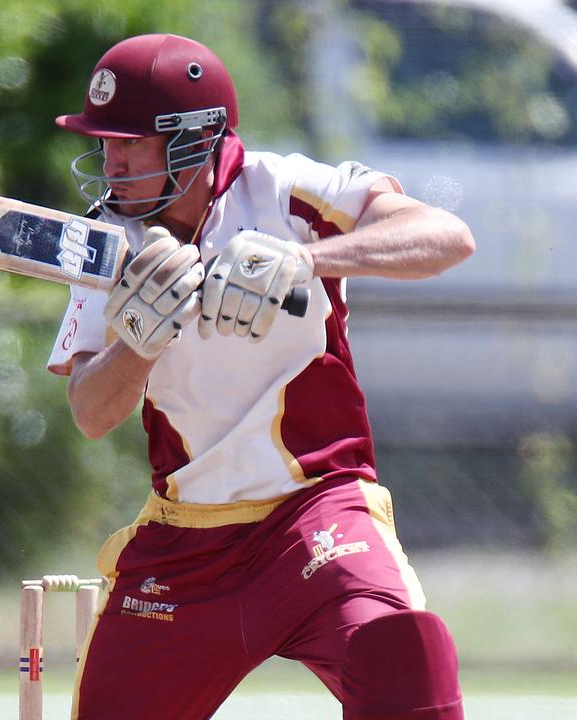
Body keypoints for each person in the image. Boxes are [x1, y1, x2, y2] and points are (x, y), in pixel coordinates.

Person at [46, 33, 475, 720]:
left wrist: (309, 261)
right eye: (105, 143)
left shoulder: (286, 192)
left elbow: (446, 237)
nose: (111, 161)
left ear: (193, 140)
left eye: (130, 142)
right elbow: (91, 413)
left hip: (315, 515)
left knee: (403, 658)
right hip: (186, 542)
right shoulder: (104, 244)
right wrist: (139, 341)